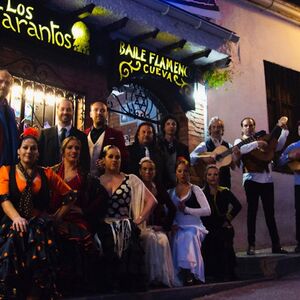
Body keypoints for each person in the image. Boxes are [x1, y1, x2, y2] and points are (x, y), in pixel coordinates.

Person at [0, 127, 76, 299]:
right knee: (15, 235)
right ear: (18, 152)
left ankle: (35, 292)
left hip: (38, 222)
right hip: (13, 220)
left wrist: (57, 218)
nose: (29, 151)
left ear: (38, 153)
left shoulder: (47, 173)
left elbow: (71, 195)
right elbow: (4, 200)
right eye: (25, 147)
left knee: (37, 231)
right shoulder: (6, 171)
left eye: (33, 148)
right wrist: (17, 218)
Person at [91, 145, 157, 292]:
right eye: (111, 156)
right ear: (103, 160)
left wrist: (138, 219)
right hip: (104, 227)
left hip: (126, 227)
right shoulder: (95, 181)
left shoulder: (130, 179)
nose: (115, 160)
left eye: (118, 157)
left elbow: (152, 201)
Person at [51, 136, 103, 295]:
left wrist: (84, 211)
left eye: (77, 148)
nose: (74, 151)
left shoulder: (85, 177)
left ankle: (74, 285)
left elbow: (102, 197)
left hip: (76, 220)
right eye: (70, 147)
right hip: (53, 217)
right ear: (63, 150)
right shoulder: (51, 172)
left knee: (76, 239)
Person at [234, 117, 289, 255]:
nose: (249, 127)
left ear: (254, 126)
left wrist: (284, 132)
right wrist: (257, 143)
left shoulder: (263, 138)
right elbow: (242, 149)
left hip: (267, 180)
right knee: (252, 212)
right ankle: (251, 245)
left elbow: (277, 146)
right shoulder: (239, 141)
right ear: (242, 128)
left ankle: (276, 245)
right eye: (246, 125)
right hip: (251, 179)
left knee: (270, 213)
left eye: (251, 125)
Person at [168, 158, 211, 285]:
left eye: (185, 171)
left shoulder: (195, 189)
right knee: (178, 235)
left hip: (194, 225)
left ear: (189, 173)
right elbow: (168, 212)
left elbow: (207, 210)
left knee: (189, 235)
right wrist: (172, 224)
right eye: (180, 171)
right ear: (176, 173)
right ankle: (181, 271)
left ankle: (191, 272)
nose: (183, 174)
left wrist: (187, 209)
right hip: (178, 225)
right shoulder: (170, 192)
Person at [139, 157, 176, 287]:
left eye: (151, 169)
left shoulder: (158, 187)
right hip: (141, 226)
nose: (148, 172)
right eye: (145, 169)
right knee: (150, 239)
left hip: (156, 226)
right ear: (140, 171)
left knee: (163, 240)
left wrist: (164, 226)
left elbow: (172, 208)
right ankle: (150, 277)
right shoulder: (137, 187)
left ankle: (162, 277)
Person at [202, 165, 242, 282]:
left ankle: (229, 272)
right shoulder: (201, 192)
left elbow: (237, 206)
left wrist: (228, 219)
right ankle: (213, 273)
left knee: (225, 238)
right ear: (205, 177)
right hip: (207, 226)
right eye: (210, 174)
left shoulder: (224, 191)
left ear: (219, 176)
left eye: (215, 174)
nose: (212, 177)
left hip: (222, 225)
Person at [39, 97, 90, 172]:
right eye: (62, 109)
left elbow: (85, 163)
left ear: (73, 112)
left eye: (68, 109)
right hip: (48, 180)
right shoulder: (45, 134)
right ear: (57, 111)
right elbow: (39, 159)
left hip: (71, 182)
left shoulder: (82, 137)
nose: (65, 112)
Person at [84, 101, 127, 176]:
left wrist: (108, 163)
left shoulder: (116, 135)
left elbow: (123, 158)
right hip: (85, 180)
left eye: (102, 110)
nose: (99, 113)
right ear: (90, 114)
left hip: (107, 180)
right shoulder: (83, 134)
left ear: (106, 114)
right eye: (96, 110)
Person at [190, 116, 234, 188]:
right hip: (210, 182)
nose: (216, 129)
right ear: (210, 129)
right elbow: (191, 157)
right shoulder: (204, 145)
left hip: (225, 182)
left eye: (219, 127)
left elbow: (234, 166)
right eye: (213, 127)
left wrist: (235, 156)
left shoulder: (228, 146)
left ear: (222, 130)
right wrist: (203, 158)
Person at [278, 120, 300, 253]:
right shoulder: (293, 146)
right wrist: (290, 156)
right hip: (299, 184)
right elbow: (280, 161)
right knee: (299, 213)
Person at [158, 115, 190, 189]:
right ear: (164, 127)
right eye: (168, 124)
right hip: (161, 184)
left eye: (173, 124)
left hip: (178, 183)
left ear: (176, 128)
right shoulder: (158, 146)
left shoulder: (183, 148)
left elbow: (187, 167)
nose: (171, 126)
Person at [0, 69, 19, 167]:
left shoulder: (10, 112)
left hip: (8, 169)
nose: (3, 86)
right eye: (0, 81)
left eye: (7, 83)